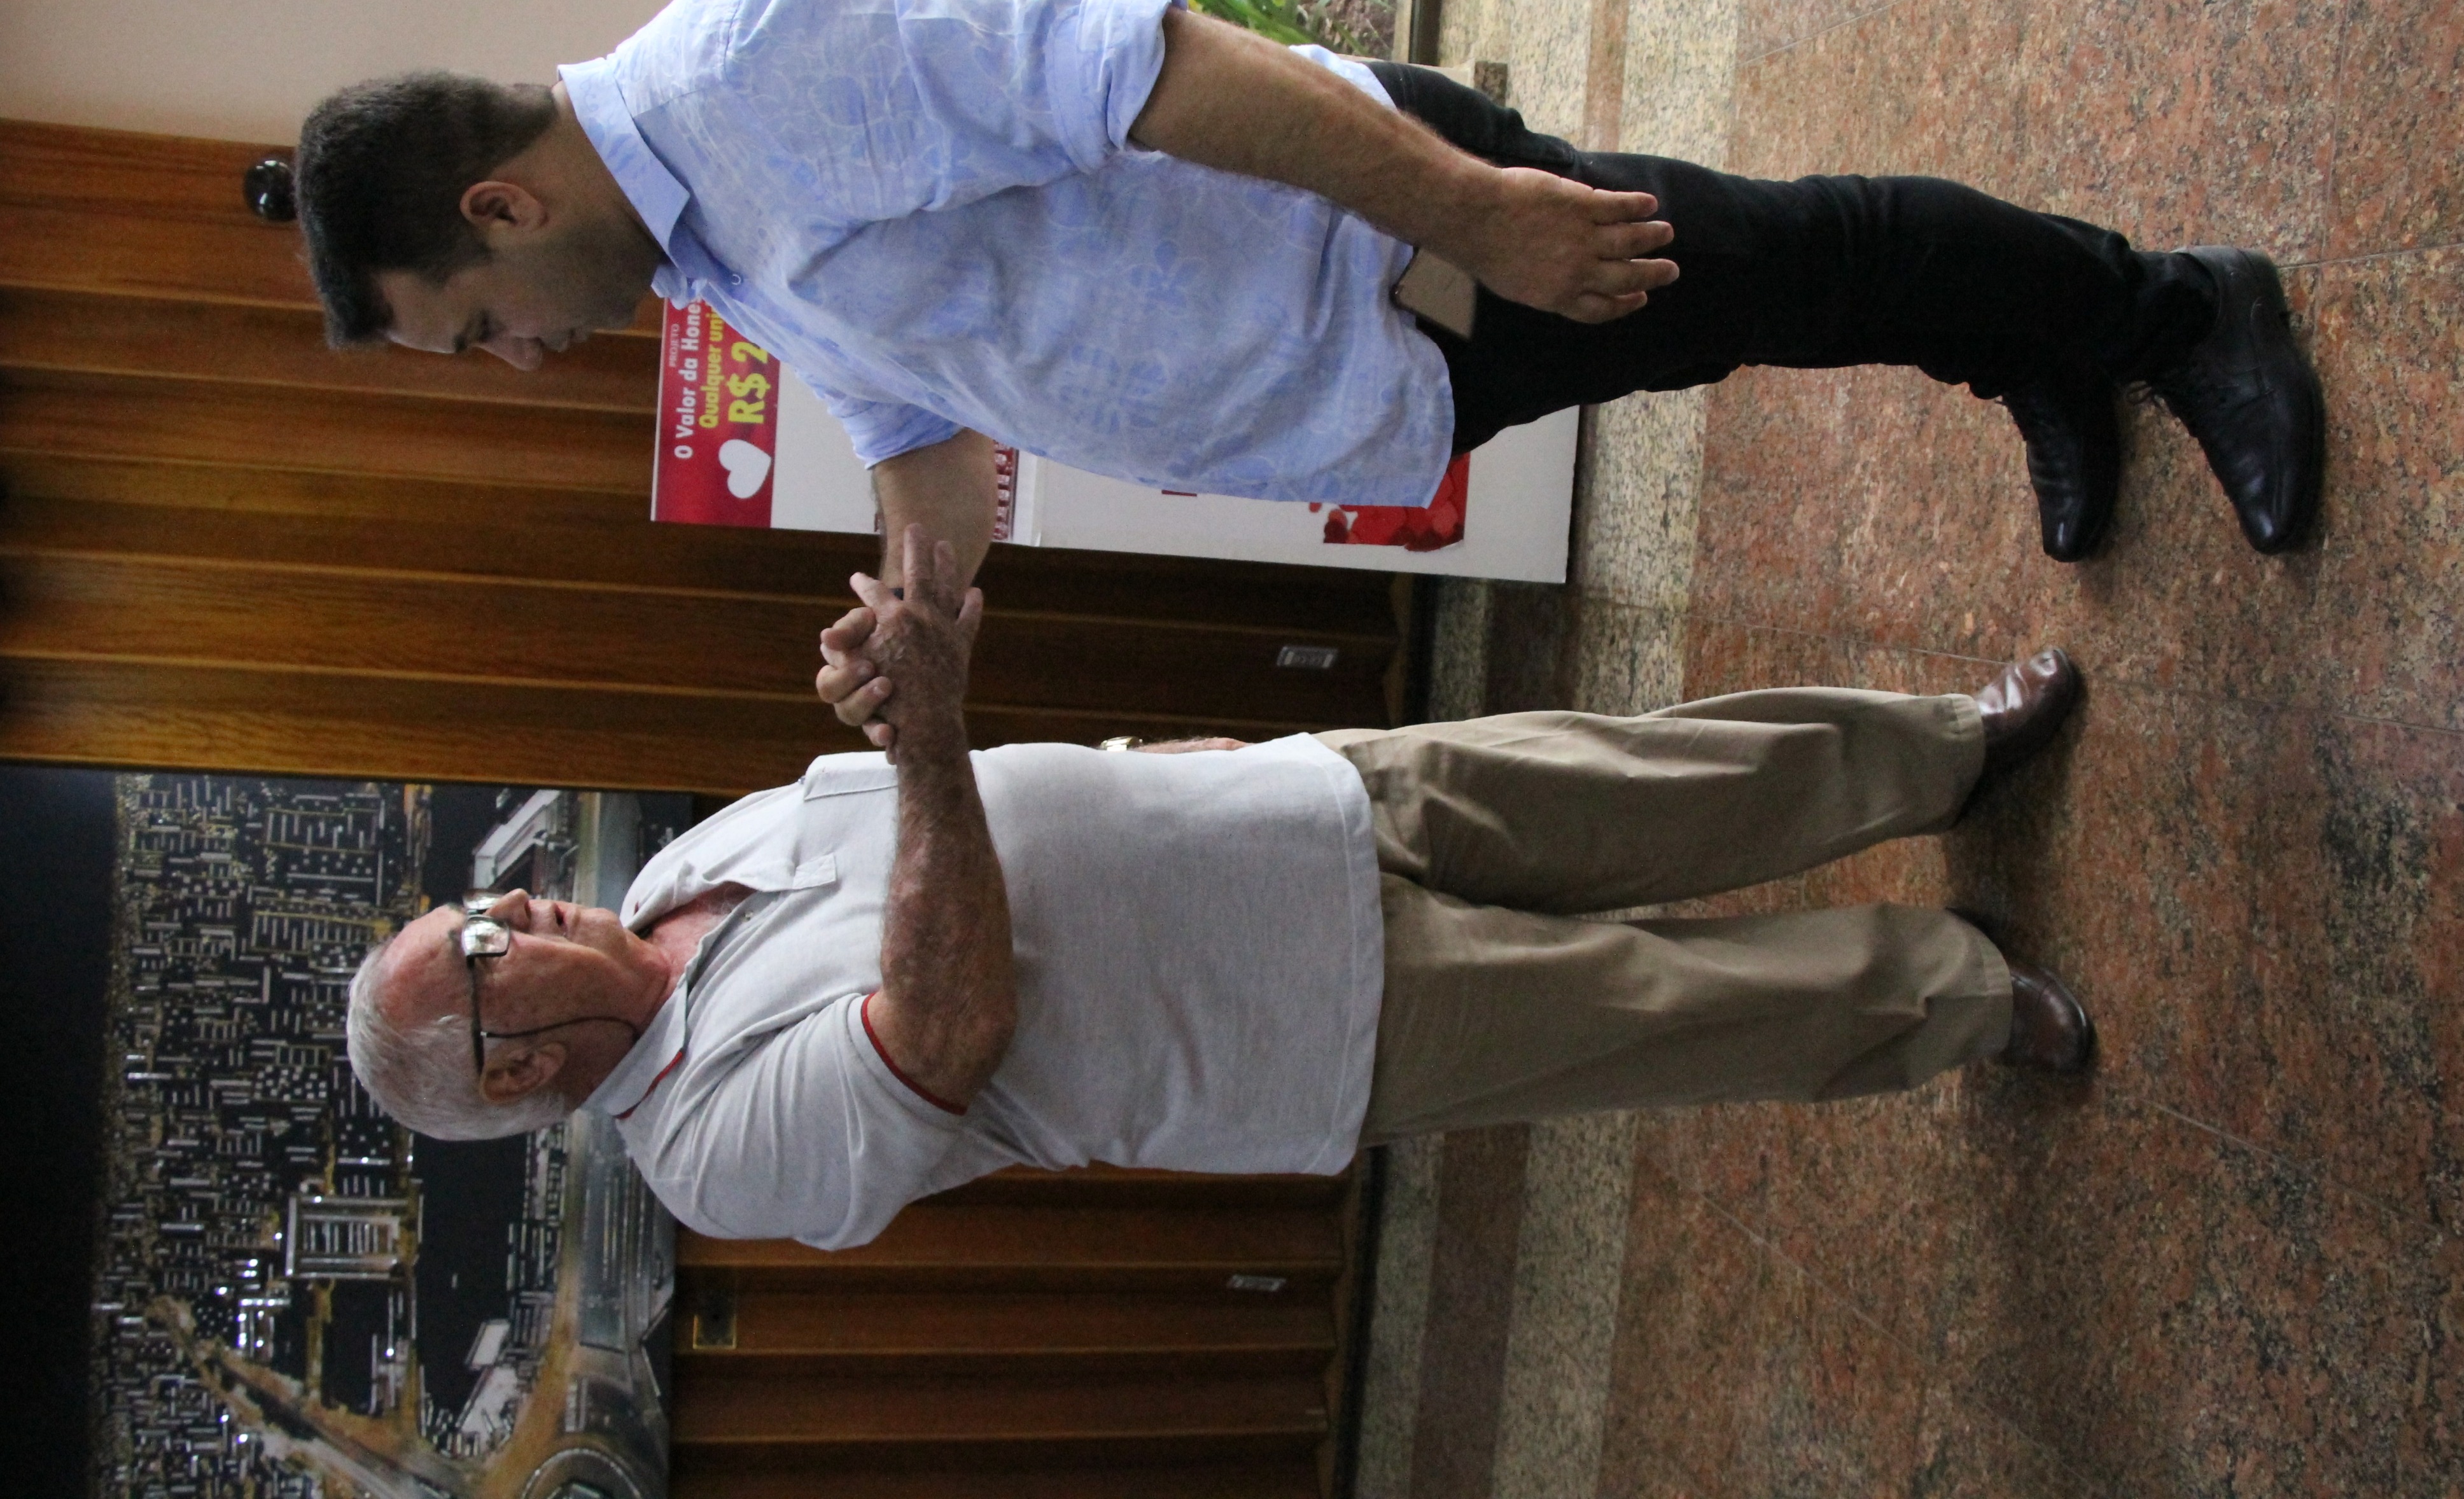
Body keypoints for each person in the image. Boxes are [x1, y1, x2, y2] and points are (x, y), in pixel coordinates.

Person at [293, 0, 2322, 617]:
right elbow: (915, 422)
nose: (519, 363)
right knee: (1763, 313)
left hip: (1397, 250)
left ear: (498, 213)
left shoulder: (760, 67)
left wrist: (1474, 209)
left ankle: (2171, 308)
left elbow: (1155, 66)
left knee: (1802, 262)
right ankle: (2037, 348)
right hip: (1378, 353)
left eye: (474, 338)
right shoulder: (708, 250)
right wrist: (923, 619)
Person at [347, 525, 2095, 1250]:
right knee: (1672, 1008)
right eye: (485, 945)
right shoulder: (713, 1152)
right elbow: (944, 1023)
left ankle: (1944, 751)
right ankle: (1959, 1000)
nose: (522, 907)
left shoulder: (674, 872)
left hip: (1293, 804)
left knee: (1643, 776)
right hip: (1299, 1021)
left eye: (482, 905)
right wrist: (936, 731)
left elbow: (979, 803)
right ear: (518, 1067)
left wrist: (1175, 759)